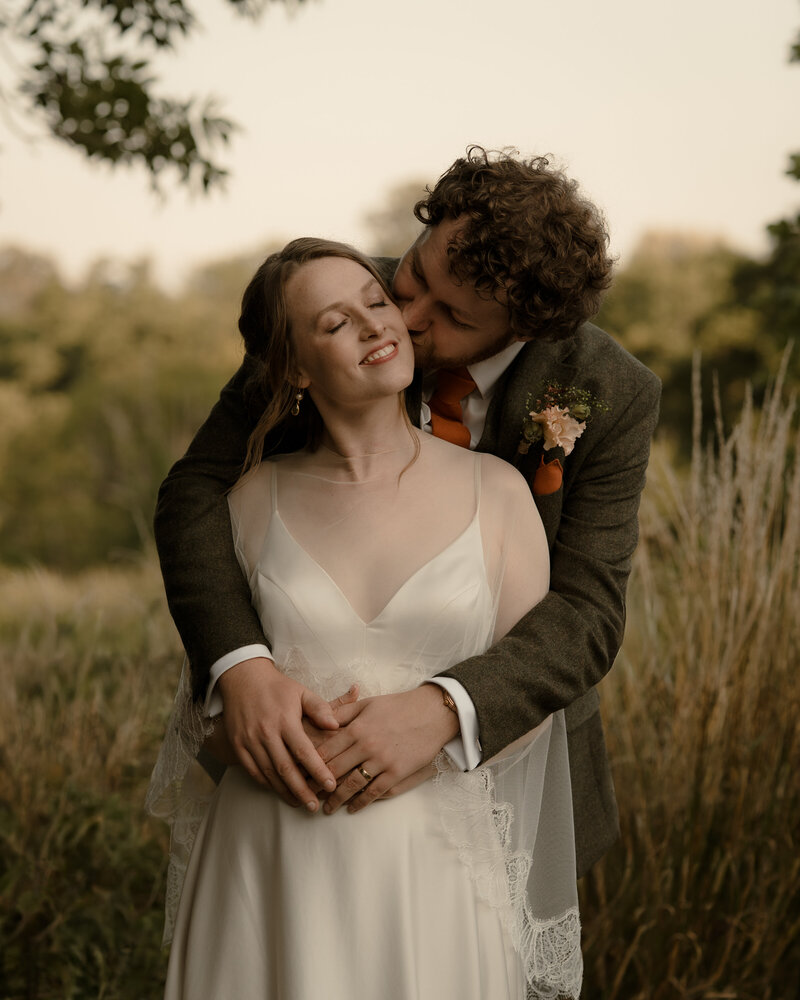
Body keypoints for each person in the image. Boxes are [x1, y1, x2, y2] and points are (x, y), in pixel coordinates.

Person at [153, 146, 661, 882]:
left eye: (450, 315)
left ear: (523, 327)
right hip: (295, 780)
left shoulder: (608, 391)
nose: (405, 317)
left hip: (502, 759)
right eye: (415, 276)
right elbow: (194, 492)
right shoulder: (330, 306)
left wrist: (445, 710)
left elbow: (587, 611)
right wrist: (242, 664)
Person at [148, 237, 581, 998]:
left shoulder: (501, 492)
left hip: (437, 869)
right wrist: (261, 728)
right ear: (292, 371)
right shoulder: (246, 504)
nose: (375, 326)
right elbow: (204, 722)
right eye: (334, 323)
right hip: (268, 863)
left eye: (376, 303)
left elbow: (535, 699)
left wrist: (431, 732)